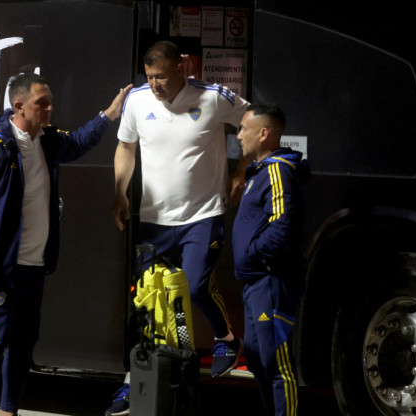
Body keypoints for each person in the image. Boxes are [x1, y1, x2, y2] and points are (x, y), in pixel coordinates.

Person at [0, 72, 132, 416]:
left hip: (34, 266)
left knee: (24, 345)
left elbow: (78, 141)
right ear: (19, 106)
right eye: (42, 103)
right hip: (0, 266)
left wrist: (108, 114)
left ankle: (9, 411)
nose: (50, 108)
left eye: (50, 101)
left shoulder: (47, 139)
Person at [107, 40, 250, 415]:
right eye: (150, 77)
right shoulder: (138, 101)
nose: (155, 85)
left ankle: (226, 339)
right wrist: (120, 192)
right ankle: (134, 379)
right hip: (154, 218)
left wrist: (241, 169)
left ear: (182, 68)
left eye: (162, 77)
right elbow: (126, 147)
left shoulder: (214, 97)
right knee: (149, 301)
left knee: (195, 283)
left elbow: (253, 123)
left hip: (202, 214)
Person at [232, 103, 309, 416]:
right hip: (255, 282)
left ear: (263, 134)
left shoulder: (277, 171)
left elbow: (283, 225)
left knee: (277, 364)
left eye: (243, 129)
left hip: (270, 280)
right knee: (259, 361)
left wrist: (253, 257)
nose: (238, 136)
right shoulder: (260, 172)